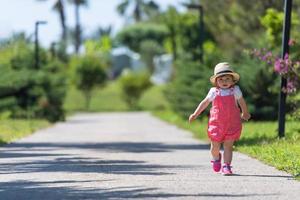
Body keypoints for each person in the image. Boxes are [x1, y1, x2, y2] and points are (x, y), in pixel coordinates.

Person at [188, 62, 251, 175]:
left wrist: (245, 112)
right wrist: (195, 114)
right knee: (215, 147)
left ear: (233, 81)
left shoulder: (235, 90)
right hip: (216, 123)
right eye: (221, 79)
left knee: (228, 146)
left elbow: (241, 101)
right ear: (216, 81)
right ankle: (216, 158)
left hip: (232, 122)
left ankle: (226, 166)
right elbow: (205, 103)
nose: (224, 82)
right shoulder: (214, 92)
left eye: (227, 79)